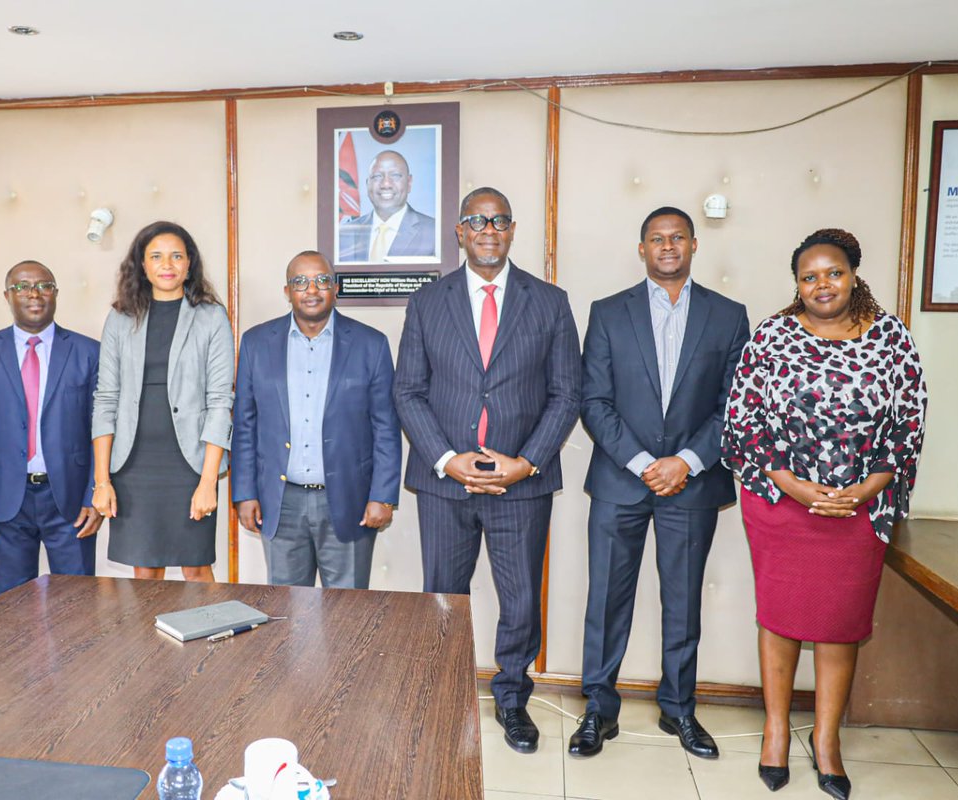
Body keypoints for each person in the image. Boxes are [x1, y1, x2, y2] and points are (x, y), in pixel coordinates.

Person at [722, 228, 927, 798]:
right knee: (782, 619)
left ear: (854, 273)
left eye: (832, 272)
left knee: (839, 627)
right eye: (808, 277)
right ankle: (776, 731)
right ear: (797, 284)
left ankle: (828, 739)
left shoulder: (892, 339)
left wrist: (865, 489)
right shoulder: (772, 337)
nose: (821, 285)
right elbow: (745, 425)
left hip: (861, 511)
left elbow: (909, 425)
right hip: (783, 506)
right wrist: (795, 487)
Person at [393, 187, 582, 754]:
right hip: (444, 483)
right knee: (444, 596)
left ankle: (512, 699)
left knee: (520, 598)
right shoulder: (428, 302)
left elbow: (567, 393)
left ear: (512, 229)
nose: (489, 229)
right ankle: (444, 692)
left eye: (499, 220)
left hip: (520, 484)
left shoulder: (549, 301)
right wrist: (449, 461)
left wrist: (524, 464)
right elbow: (409, 391)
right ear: (460, 230)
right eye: (478, 220)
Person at [574, 206, 749, 760]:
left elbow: (734, 405)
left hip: (693, 485)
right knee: (605, 601)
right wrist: (645, 460)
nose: (667, 246)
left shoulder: (728, 316)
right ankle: (598, 711)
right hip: (620, 481)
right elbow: (593, 402)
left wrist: (688, 461)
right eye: (656, 239)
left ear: (694, 246)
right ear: (642, 249)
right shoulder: (607, 312)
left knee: (683, 602)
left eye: (677, 238)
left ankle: (679, 709)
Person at [231, 251, 402, 588]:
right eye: (300, 282)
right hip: (280, 503)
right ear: (287, 291)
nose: (312, 289)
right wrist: (244, 492)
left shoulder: (371, 344)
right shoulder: (256, 343)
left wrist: (382, 495)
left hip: (350, 499)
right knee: (287, 617)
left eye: (322, 280)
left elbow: (386, 427)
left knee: (349, 616)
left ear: (335, 288)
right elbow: (245, 426)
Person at [91, 221, 233, 582]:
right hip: (134, 465)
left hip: (189, 464)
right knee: (146, 569)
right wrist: (102, 480)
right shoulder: (121, 319)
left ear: (189, 264)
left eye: (176, 256)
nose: (166, 264)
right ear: (142, 264)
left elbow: (220, 402)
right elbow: (105, 400)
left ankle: (210, 640)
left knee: (197, 567)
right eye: (156, 256)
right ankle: (147, 641)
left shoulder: (211, 317)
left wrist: (207, 482)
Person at [0, 260, 102, 595]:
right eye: (22, 286)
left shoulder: (88, 352)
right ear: (6, 295)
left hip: (69, 499)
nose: (34, 293)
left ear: (56, 294)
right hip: (5, 500)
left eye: (44, 285)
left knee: (79, 605)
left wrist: (95, 492)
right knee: (10, 609)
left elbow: (100, 430)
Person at [339, 150, 436, 263]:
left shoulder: (433, 232)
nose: (386, 184)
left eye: (395, 176)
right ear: (367, 184)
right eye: (377, 176)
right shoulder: (344, 234)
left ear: (409, 183)